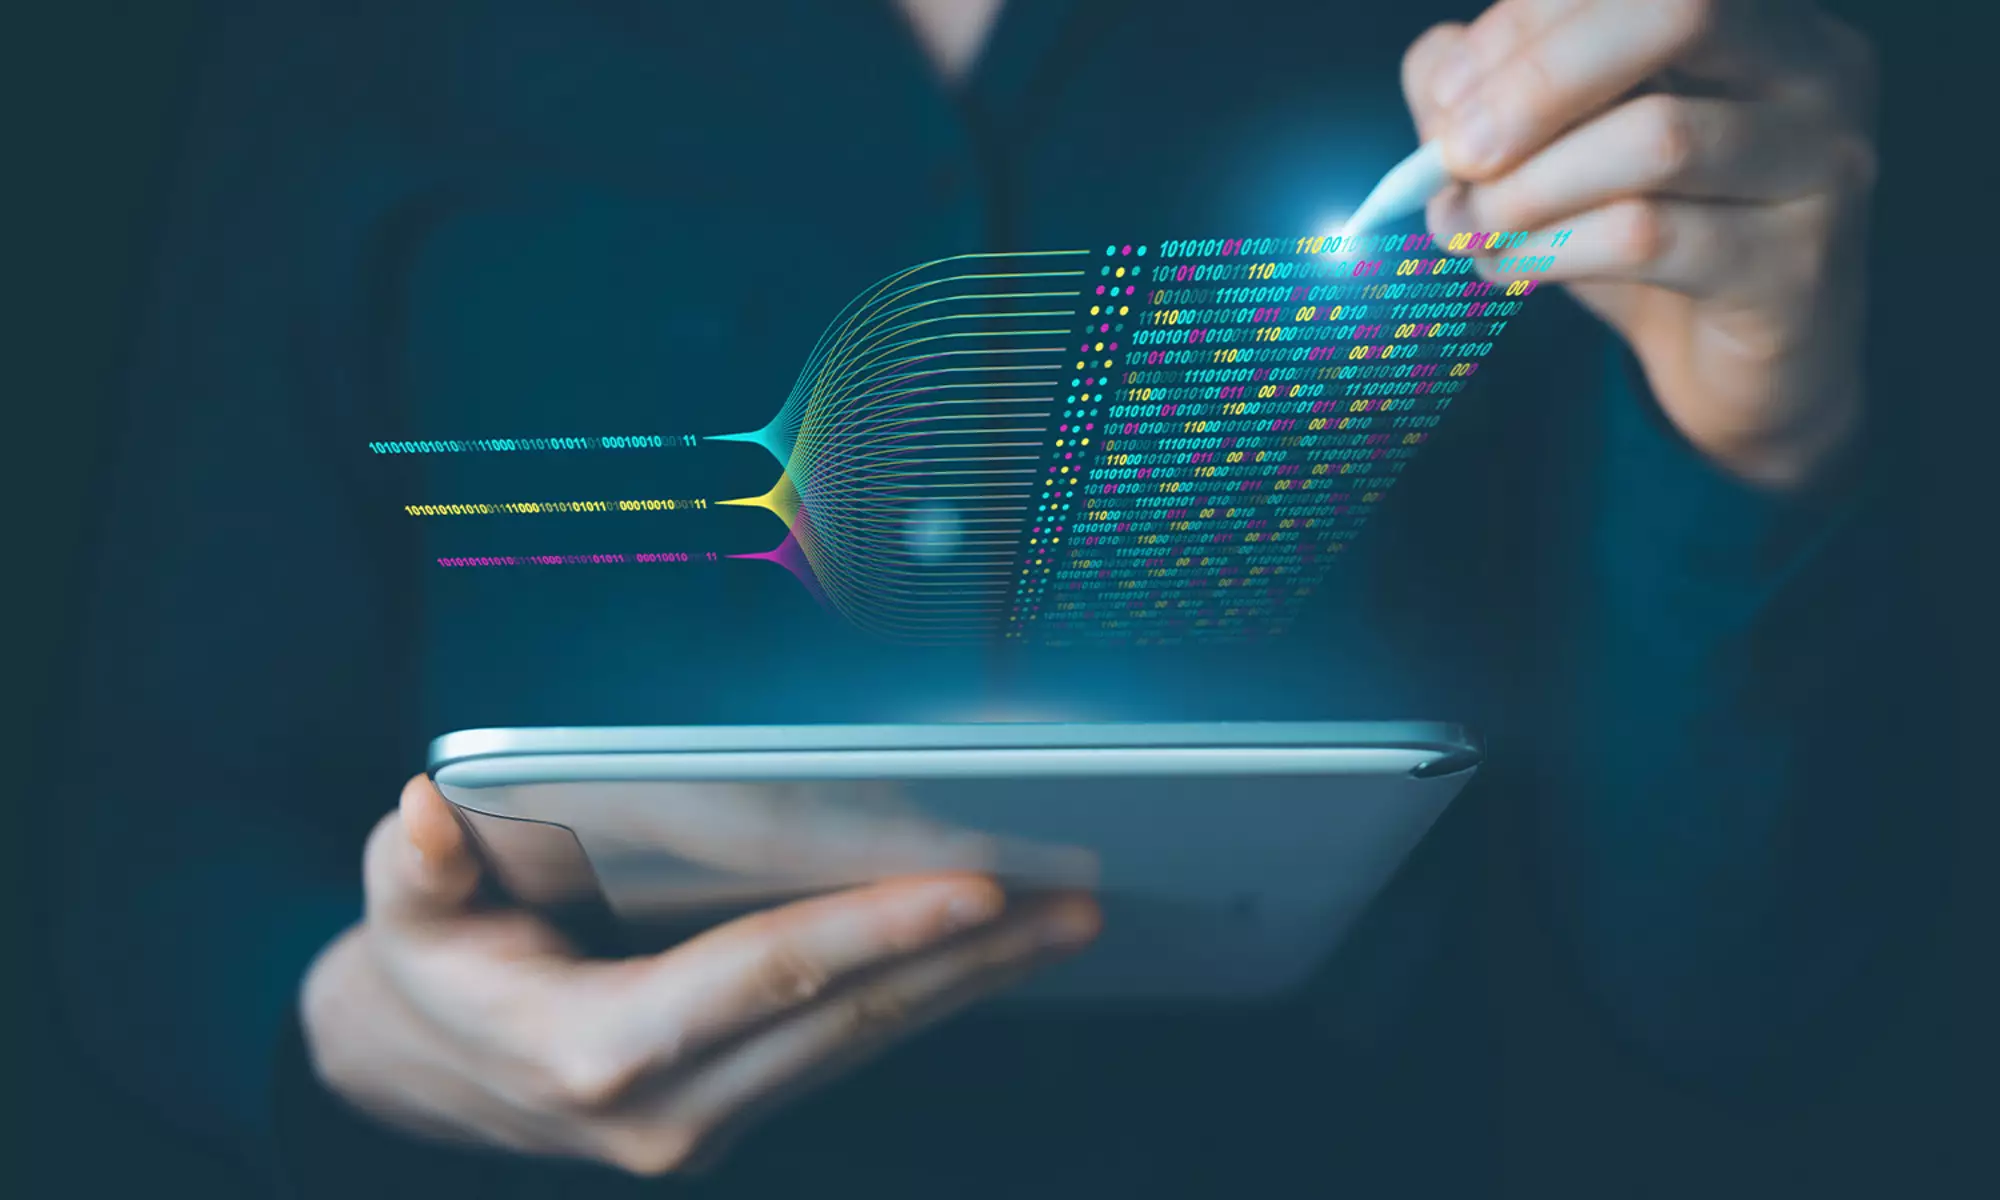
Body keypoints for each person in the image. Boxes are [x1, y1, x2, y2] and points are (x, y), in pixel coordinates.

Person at [52, 0, 1936, 1195]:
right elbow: (149, 838)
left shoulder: (1574, 63)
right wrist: (338, 1021)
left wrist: (1766, 431)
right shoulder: (359, 45)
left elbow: (1749, 1014)